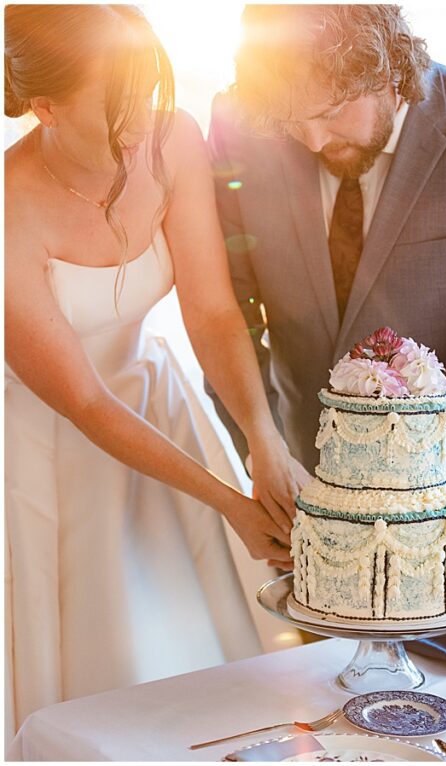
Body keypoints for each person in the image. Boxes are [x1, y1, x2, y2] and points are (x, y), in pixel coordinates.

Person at [4, 4, 309, 741]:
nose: (139, 125)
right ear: (43, 108)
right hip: (42, 438)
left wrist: (261, 442)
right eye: (116, 107)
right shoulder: (7, 209)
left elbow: (209, 309)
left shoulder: (172, 138)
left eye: (147, 94)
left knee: (198, 659)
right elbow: (81, 399)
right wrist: (228, 504)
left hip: (157, 403)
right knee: (89, 661)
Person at [205, 4, 446, 579]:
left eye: (331, 111)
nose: (313, 138)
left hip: (440, 495)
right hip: (295, 479)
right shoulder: (241, 122)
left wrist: (387, 478)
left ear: (390, 72)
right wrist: (262, 441)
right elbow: (227, 313)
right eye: (293, 119)